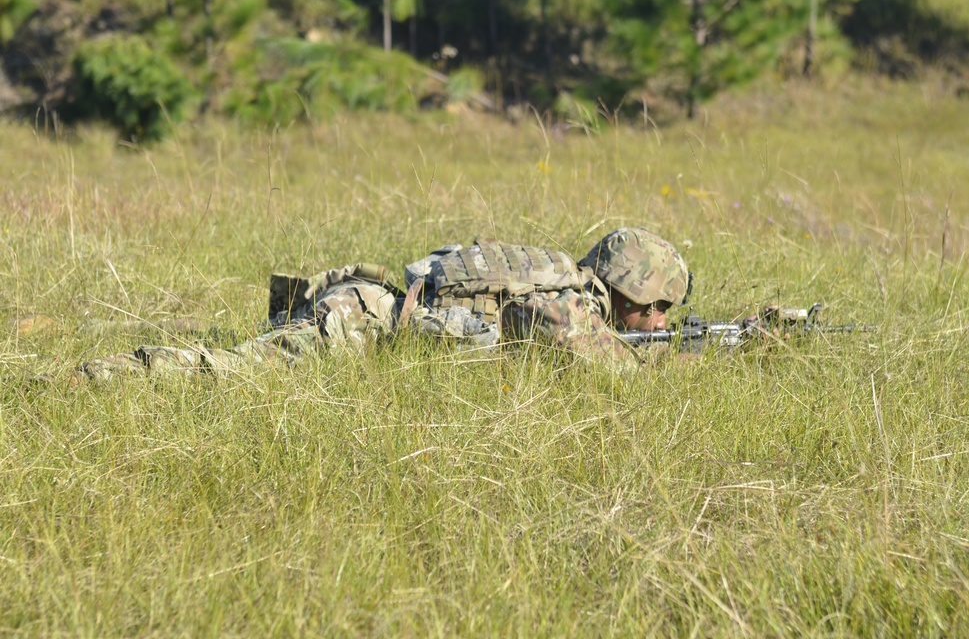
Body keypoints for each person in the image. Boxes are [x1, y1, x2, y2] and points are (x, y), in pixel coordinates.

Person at [77, 227, 691, 379]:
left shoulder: (559, 283)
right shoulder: (566, 306)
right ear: (630, 286)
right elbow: (605, 364)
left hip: (368, 312)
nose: (661, 321)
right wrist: (685, 359)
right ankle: (96, 375)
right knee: (232, 370)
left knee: (237, 342)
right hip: (360, 323)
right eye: (659, 306)